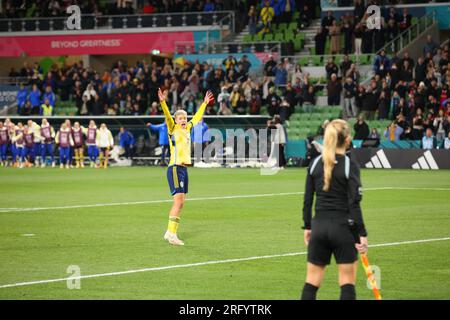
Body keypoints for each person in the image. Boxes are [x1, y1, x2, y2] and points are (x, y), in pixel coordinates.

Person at [301, 119, 368, 300]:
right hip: (343, 228)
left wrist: (308, 227)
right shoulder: (349, 165)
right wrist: (361, 233)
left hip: (319, 227)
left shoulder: (314, 164)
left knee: (311, 282)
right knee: (347, 282)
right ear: (347, 140)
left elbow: (308, 200)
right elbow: (354, 203)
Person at [158, 88, 214, 246]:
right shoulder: (172, 128)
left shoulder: (188, 128)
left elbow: (196, 118)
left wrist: (204, 104)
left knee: (181, 202)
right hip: (175, 168)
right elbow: (168, 116)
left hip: (183, 169)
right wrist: (163, 102)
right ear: (176, 120)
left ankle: (169, 232)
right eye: (180, 117)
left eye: (184, 117)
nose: (183, 119)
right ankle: (172, 234)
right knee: (178, 202)